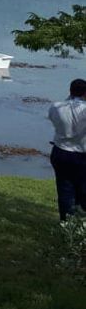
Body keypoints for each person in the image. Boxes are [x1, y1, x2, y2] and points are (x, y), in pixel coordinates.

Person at [48, 78, 86, 221]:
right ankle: (79, 215)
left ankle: (66, 221)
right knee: (82, 187)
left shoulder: (56, 107)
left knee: (64, 187)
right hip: (81, 153)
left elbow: (53, 120)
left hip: (61, 151)